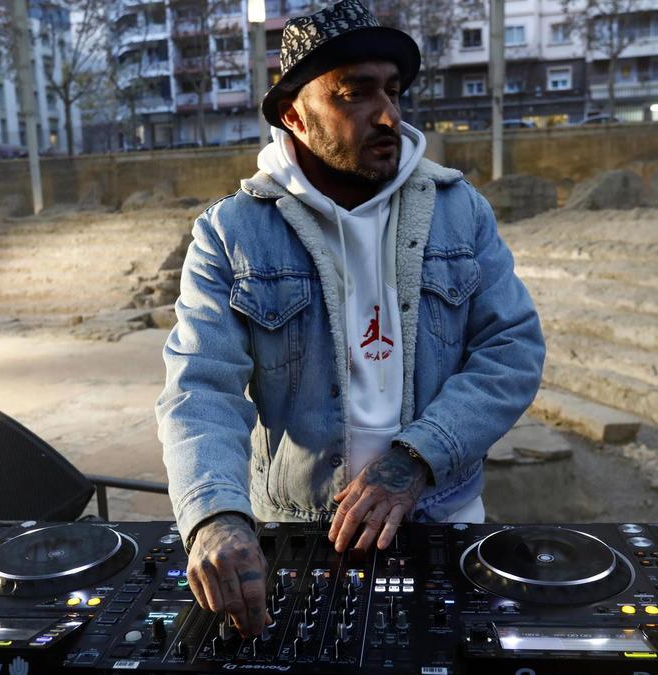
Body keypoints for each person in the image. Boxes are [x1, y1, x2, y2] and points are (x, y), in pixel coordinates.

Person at [155, 0, 544, 641]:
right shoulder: (232, 231)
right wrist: (216, 515)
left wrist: (416, 460)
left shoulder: (460, 210)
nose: (388, 114)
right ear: (294, 115)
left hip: (443, 520)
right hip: (297, 534)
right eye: (355, 94)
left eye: (393, 91)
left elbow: (512, 348)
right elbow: (200, 385)